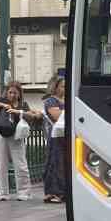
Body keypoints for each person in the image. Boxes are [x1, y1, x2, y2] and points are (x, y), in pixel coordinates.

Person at [0, 82, 40, 201]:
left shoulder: (23, 104)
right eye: (10, 92)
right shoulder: (3, 101)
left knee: (20, 164)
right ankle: (3, 193)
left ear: (19, 94)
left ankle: (23, 192)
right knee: (1, 164)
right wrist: (3, 105)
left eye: (15, 93)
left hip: (16, 137)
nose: (12, 95)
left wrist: (18, 112)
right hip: (1, 135)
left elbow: (31, 115)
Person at [41, 75, 69, 203]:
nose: (65, 88)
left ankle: (62, 191)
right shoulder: (51, 101)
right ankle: (54, 192)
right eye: (63, 86)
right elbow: (57, 116)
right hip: (55, 136)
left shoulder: (67, 100)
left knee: (64, 163)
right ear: (55, 87)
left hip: (65, 136)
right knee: (55, 162)